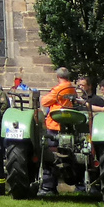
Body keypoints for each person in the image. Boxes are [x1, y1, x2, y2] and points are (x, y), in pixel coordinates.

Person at [37, 67, 79, 195]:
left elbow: (44, 101)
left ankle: (48, 187)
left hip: (55, 125)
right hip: (67, 124)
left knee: (50, 156)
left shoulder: (59, 89)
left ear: (57, 77)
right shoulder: (71, 88)